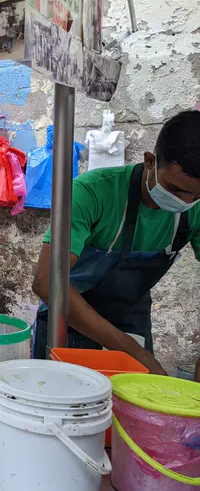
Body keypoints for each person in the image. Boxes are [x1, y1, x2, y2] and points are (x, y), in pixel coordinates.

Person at [32, 110, 200, 375]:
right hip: (69, 318)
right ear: (149, 162)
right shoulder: (91, 193)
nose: (186, 201)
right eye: (174, 189)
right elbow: (46, 282)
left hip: (131, 321)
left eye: (197, 195)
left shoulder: (195, 211)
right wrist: (126, 348)